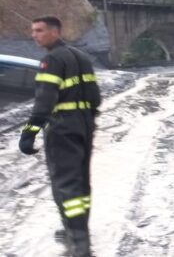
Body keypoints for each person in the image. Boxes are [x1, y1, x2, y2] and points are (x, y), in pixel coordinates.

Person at [19, 16, 101, 257]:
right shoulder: (82, 57)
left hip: (62, 127)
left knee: (66, 184)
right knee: (81, 181)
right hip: (84, 125)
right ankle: (77, 230)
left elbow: (44, 101)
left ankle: (79, 244)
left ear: (55, 32)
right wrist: (87, 120)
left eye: (39, 30)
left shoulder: (52, 60)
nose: (34, 35)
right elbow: (95, 97)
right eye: (33, 31)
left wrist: (29, 133)